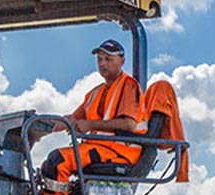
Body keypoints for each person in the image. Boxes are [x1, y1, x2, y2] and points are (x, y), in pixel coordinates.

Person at [40, 39, 146, 183]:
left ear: (122, 61)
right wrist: (39, 124)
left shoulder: (128, 85)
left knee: (59, 161)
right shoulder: (94, 93)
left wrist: (90, 125)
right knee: (47, 166)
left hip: (119, 151)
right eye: (99, 59)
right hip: (99, 148)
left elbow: (128, 124)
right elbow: (72, 120)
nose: (102, 64)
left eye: (108, 59)